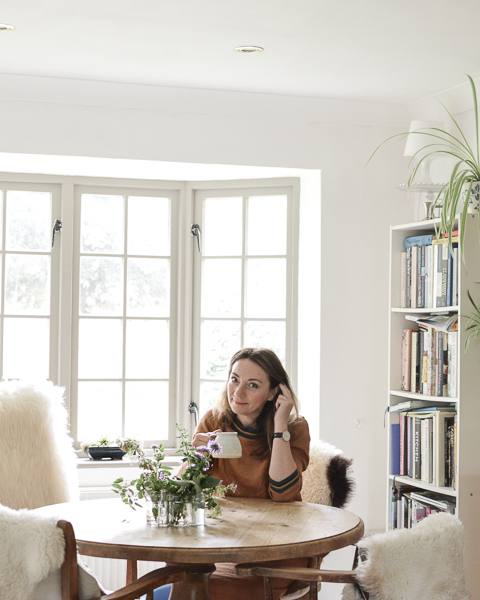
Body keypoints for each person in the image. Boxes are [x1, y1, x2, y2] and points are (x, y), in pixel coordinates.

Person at [193, 347, 311, 600]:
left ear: (274, 393)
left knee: (210, 588)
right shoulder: (214, 422)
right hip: (226, 540)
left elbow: (282, 493)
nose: (238, 392)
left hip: (280, 543)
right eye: (234, 379)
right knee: (185, 579)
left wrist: (280, 425)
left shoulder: (295, 428)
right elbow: (185, 490)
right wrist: (195, 458)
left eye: (253, 385)